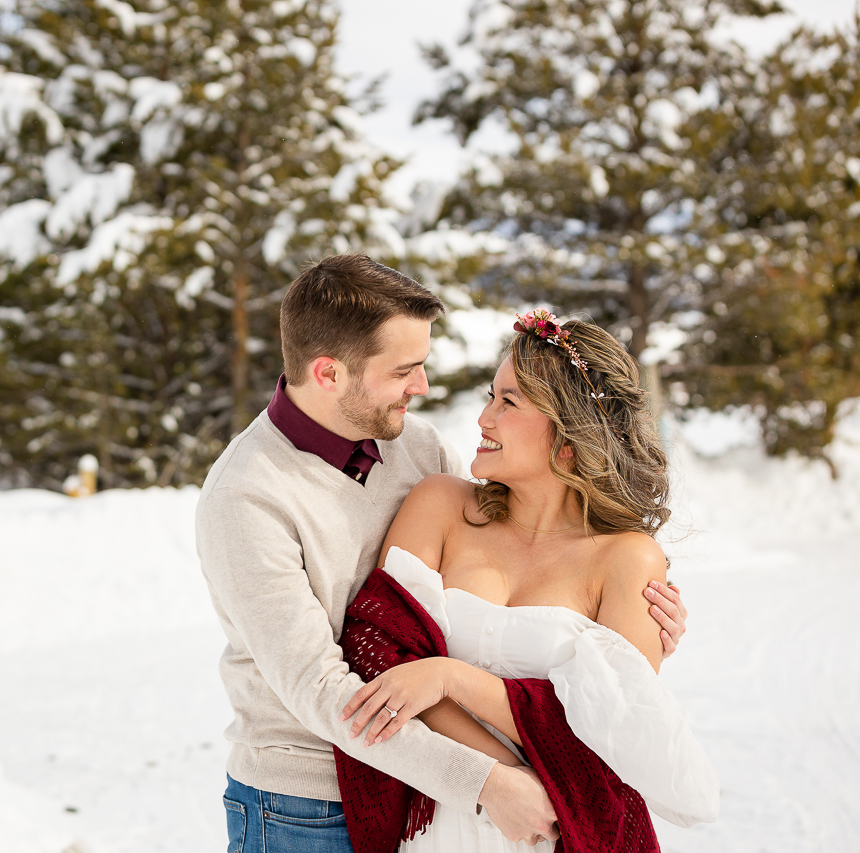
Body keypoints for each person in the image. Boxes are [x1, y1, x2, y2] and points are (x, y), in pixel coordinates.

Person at [196, 258, 688, 853]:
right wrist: (491, 781)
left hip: (453, 795)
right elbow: (325, 683)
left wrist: (628, 640)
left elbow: (499, 558)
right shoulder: (247, 495)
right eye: (405, 369)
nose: (423, 388)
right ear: (328, 373)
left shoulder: (416, 449)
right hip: (305, 803)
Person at [337, 309, 718, 851]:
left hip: (557, 835)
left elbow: (611, 741)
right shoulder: (441, 507)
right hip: (437, 823)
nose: (483, 419)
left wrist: (450, 677)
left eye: (507, 402)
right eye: (490, 396)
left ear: (570, 434)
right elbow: (378, 654)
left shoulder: (628, 559)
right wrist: (502, 779)